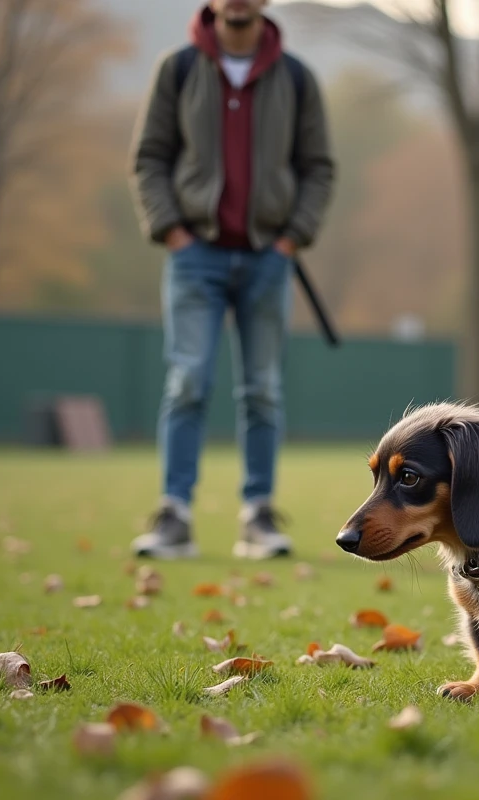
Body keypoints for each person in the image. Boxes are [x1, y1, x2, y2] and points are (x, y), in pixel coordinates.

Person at [128, 0, 334, 560]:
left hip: (269, 256)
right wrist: (171, 231)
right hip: (195, 255)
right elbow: (149, 158)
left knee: (263, 390)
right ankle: (174, 515)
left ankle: (259, 517)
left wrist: (293, 237)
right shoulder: (178, 69)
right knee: (187, 382)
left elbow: (318, 167)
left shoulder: (295, 77)